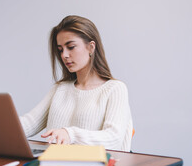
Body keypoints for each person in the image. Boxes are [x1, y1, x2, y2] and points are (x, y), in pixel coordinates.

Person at [20, 15, 133, 152]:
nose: (64, 55)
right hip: (55, 165)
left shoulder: (115, 89)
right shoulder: (60, 89)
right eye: (61, 49)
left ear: (91, 47)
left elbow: (113, 139)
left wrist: (70, 134)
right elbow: (29, 123)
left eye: (71, 47)